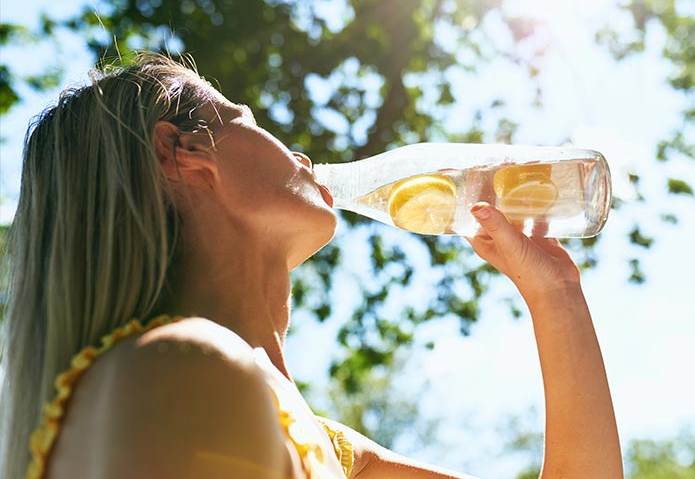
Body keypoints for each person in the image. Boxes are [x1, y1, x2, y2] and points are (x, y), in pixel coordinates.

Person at [0, 53, 622, 479]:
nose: (295, 150)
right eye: (245, 120)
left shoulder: (321, 445)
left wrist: (556, 293)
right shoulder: (184, 373)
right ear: (181, 151)